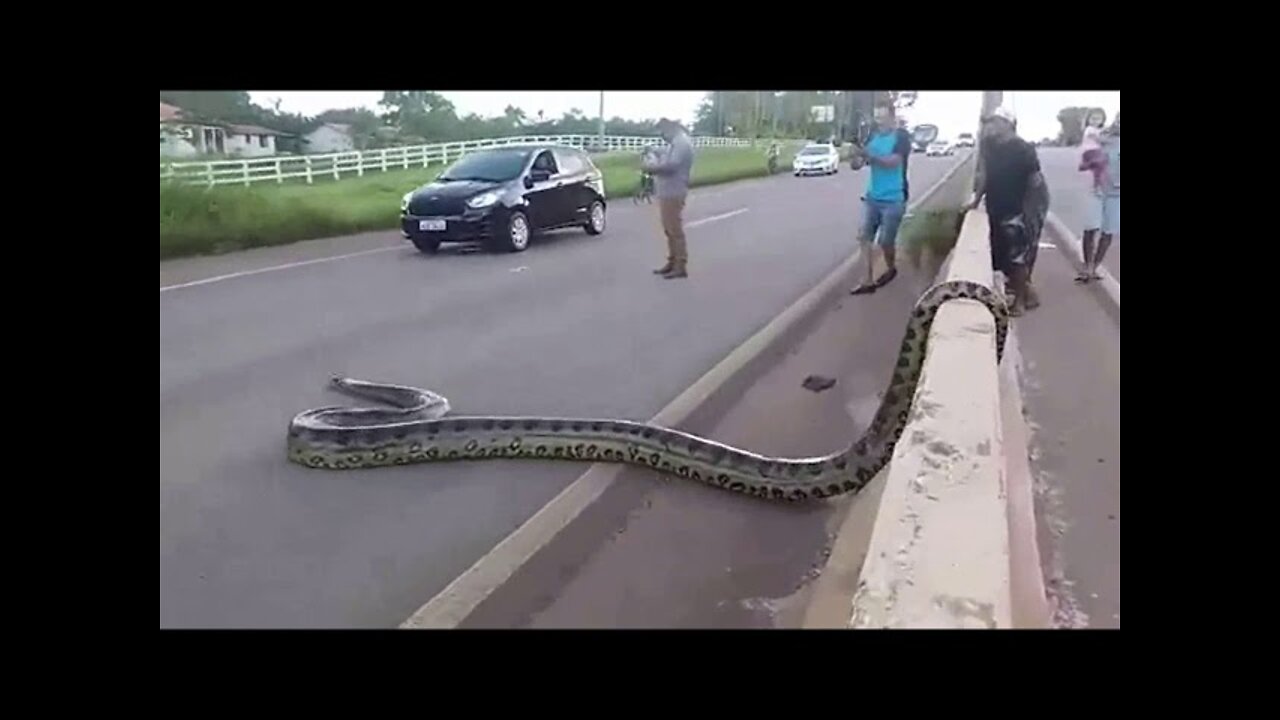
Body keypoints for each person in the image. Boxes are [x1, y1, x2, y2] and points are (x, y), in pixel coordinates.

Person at [965, 105, 1049, 316]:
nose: (990, 126)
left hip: (1018, 208)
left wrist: (1030, 216)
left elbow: (1035, 182)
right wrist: (975, 202)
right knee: (1000, 255)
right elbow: (984, 174)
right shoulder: (988, 145)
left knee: (1018, 257)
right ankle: (1028, 293)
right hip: (996, 205)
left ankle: (1020, 301)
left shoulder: (1024, 149)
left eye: (994, 122)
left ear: (1007, 124)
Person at [850, 104, 913, 295]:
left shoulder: (901, 137)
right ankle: (867, 280)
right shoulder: (872, 137)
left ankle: (891, 267)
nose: (879, 122)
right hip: (872, 197)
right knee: (864, 237)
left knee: (886, 241)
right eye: (877, 118)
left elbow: (892, 162)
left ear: (892, 118)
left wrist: (869, 155)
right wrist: (856, 156)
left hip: (894, 198)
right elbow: (857, 165)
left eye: (883, 118)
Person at [643, 119, 696, 279]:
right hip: (668, 191)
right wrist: (653, 151)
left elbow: (672, 165)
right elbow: (665, 153)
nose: (662, 136)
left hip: (674, 190)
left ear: (670, 128)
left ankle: (680, 264)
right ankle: (673, 261)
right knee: (669, 229)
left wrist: (651, 169)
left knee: (674, 229)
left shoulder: (681, 143)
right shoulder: (675, 142)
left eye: (662, 132)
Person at [1076, 111, 1119, 283]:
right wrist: (1091, 164)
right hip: (1096, 189)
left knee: (1108, 232)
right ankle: (1087, 266)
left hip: (1116, 193)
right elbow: (1082, 163)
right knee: (1091, 227)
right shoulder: (1098, 136)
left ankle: (1094, 266)